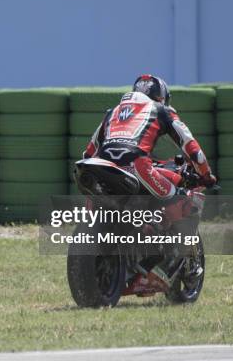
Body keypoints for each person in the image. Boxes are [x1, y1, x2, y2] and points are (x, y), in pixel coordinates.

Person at [82, 74, 217, 286]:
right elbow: (192, 148)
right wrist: (206, 175)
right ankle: (163, 262)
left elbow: (89, 152)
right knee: (179, 198)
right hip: (137, 167)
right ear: (160, 96)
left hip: (102, 168)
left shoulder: (112, 112)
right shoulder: (161, 110)